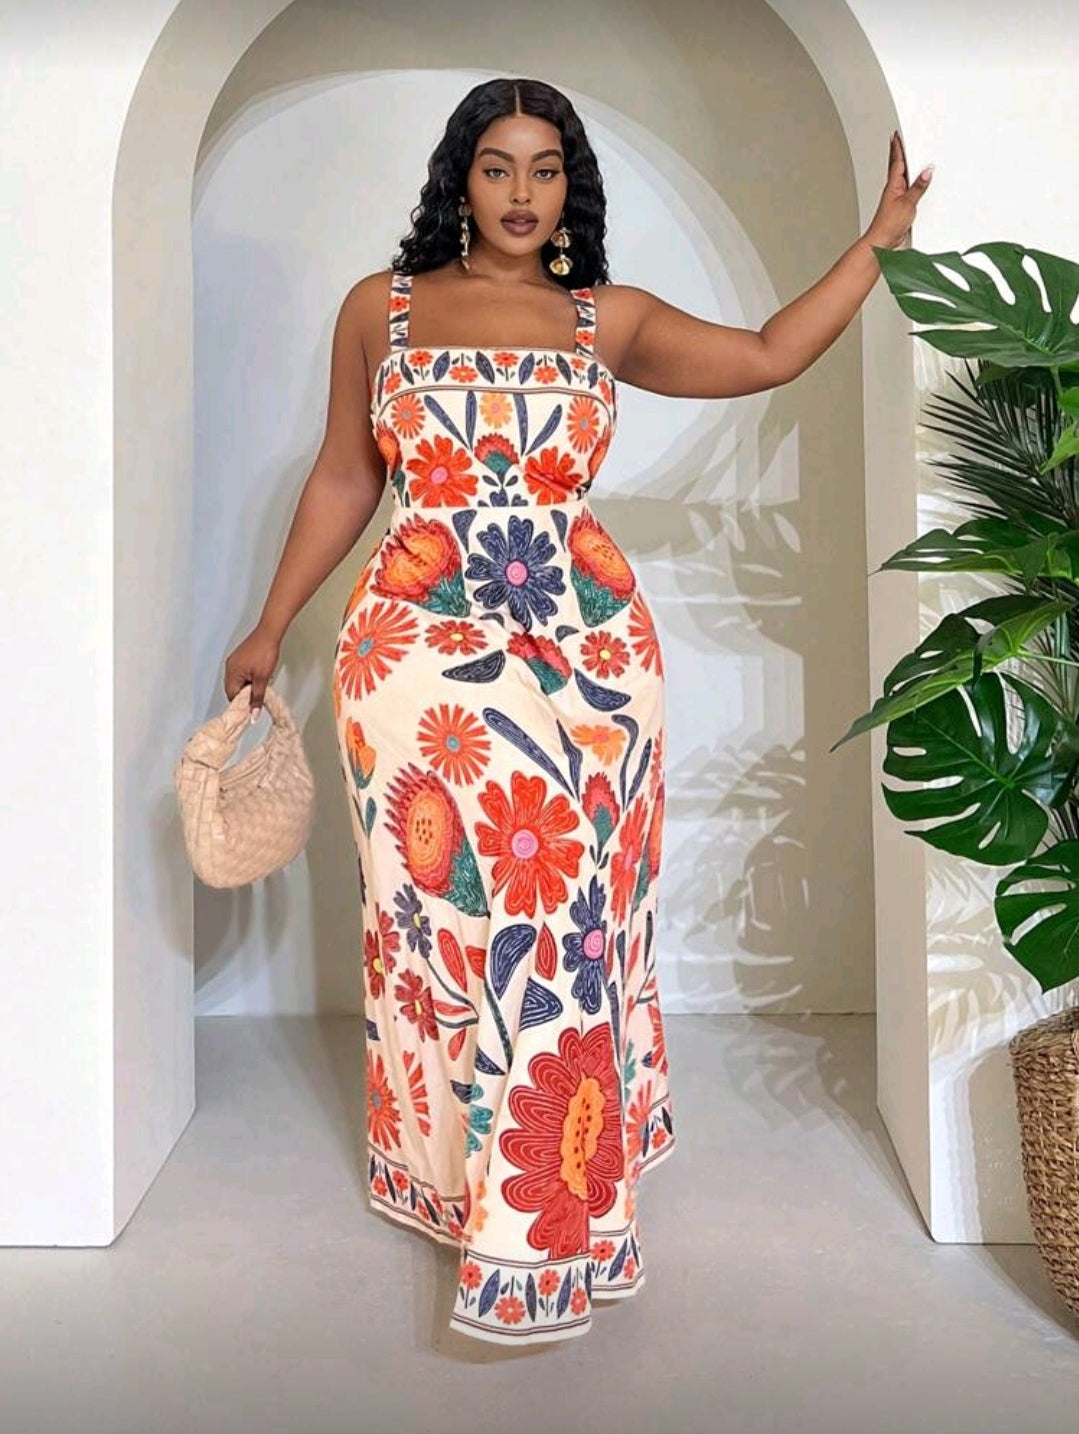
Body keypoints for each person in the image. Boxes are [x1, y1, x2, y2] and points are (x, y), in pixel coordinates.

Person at [223, 77, 931, 1346]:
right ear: (459, 177)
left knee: (566, 921)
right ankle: (493, 1204)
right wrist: (271, 624)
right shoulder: (380, 310)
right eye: (496, 166)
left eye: (543, 169)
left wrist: (875, 243)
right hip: (417, 655)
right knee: (458, 920)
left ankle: (553, 1199)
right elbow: (342, 475)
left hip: (587, 658)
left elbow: (768, 353)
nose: (519, 193)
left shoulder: (606, 320)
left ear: (570, 187)